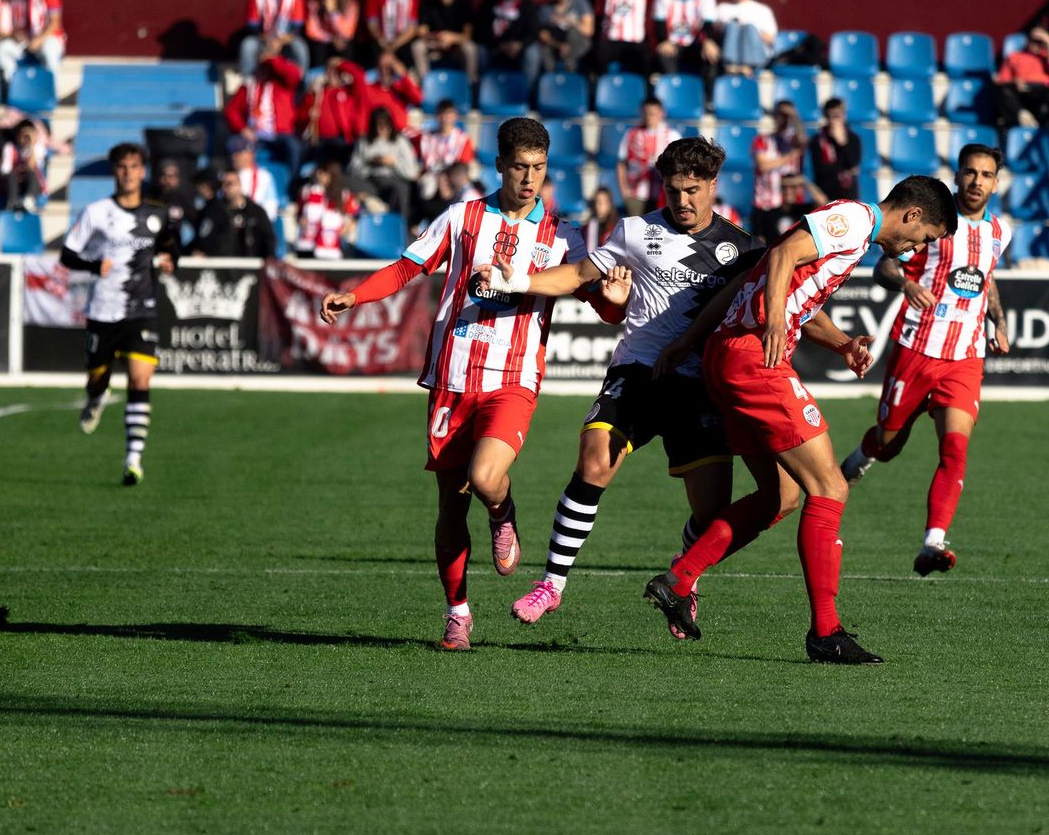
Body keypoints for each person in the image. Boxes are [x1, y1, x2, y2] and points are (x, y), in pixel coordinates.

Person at [643, 176, 957, 663]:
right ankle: (825, 632)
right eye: (926, 237)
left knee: (782, 495)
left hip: (727, 356)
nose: (919, 247)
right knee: (830, 487)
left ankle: (679, 579)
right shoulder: (854, 219)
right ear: (913, 215)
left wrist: (843, 343)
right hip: (753, 360)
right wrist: (771, 322)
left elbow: (776, 293)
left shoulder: (851, 238)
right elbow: (784, 254)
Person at [317, 118, 603, 651]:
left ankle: (503, 511)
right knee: (450, 505)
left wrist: (615, 288)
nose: (529, 178)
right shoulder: (463, 218)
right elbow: (406, 269)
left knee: (487, 477)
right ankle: (458, 614)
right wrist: (355, 295)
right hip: (450, 379)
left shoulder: (563, 235)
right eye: (519, 166)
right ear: (499, 165)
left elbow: (600, 303)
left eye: (539, 168)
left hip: (512, 379)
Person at [475, 138, 764, 625]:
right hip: (639, 372)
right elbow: (577, 275)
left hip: (700, 386)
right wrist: (516, 282)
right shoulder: (635, 230)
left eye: (693, 190)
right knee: (593, 463)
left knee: (714, 512)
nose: (683, 202)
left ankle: (681, 579)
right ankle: (551, 584)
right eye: (673, 191)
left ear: (714, 185)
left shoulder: (744, 250)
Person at [840, 144, 1013, 574]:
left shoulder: (1000, 232)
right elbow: (883, 267)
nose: (977, 181)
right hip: (916, 348)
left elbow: (986, 280)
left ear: (996, 182)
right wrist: (905, 285)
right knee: (888, 444)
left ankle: (933, 542)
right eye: (970, 172)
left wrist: (999, 321)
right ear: (957, 175)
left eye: (986, 174)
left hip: (965, 357)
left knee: (955, 448)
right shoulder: (936, 223)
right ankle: (859, 459)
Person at [59, 143, 177, 486]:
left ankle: (133, 459)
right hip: (102, 311)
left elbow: (171, 247)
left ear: (143, 171)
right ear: (115, 172)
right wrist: (93, 264)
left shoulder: (158, 214)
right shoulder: (96, 212)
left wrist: (171, 262)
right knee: (98, 379)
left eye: (134, 166)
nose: (128, 173)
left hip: (143, 310)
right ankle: (96, 398)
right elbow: (67, 255)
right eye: (122, 167)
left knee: (140, 379)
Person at [224, 53, 303, 169]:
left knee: (293, 146)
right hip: (254, 134)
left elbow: (294, 74)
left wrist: (272, 59)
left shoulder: (282, 85)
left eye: (267, 68)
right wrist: (242, 128)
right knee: (233, 144)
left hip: (279, 134)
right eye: (261, 68)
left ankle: (292, 183)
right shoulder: (247, 88)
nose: (263, 71)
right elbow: (231, 111)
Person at [0, 0, 66, 80]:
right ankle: (14, 85)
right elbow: (8, 28)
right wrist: (15, 35)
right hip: (26, 43)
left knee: (49, 49)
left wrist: (39, 40)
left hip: (48, 39)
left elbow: (55, 23)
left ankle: (51, 89)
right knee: (3, 49)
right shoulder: (13, 1)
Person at [240, 0, 308, 78]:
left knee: (300, 48)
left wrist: (280, 41)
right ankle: (249, 83)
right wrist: (269, 40)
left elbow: (297, 28)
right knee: (248, 45)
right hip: (265, 39)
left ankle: (300, 83)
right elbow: (254, 29)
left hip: (287, 40)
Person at [413, 98, 475, 227]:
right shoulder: (427, 138)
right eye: (442, 114)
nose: (445, 118)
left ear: (455, 116)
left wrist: (446, 179)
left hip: (452, 182)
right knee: (423, 188)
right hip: (433, 180)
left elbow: (462, 167)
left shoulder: (462, 140)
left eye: (449, 113)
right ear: (437, 116)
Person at [653, 0, 720, 81]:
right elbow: (659, 24)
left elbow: (708, 24)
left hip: (696, 43)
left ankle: (707, 97)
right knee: (663, 54)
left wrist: (707, 42)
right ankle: (673, 90)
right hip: (673, 43)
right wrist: (664, 41)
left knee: (711, 55)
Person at [349, 106, 419, 216]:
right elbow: (353, 168)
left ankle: (400, 226)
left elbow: (411, 172)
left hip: (392, 179)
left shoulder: (400, 142)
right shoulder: (363, 141)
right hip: (368, 180)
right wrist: (370, 164)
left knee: (401, 189)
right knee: (339, 178)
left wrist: (393, 163)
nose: (379, 129)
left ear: (390, 125)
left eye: (383, 126)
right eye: (376, 126)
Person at [752, 99, 808, 237]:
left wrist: (795, 117)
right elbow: (763, 165)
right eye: (781, 114)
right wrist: (790, 156)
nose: (784, 119)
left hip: (790, 206)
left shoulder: (793, 141)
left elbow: (803, 139)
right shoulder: (762, 140)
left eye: (787, 116)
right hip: (765, 204)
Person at [475, 0, 541, 87]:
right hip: (495, 46)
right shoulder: (489, 2)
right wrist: (499, 45)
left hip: (519, 49)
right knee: (479, 50)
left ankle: (527, 93)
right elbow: (480, 30)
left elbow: (533, 32)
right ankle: (481, 90)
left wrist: (519, 44)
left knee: (533, 52)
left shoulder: (528, 5)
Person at [593, 0, 658, 76]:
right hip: (612, 41)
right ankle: (600, 89)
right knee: (599, 56)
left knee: (647, 61)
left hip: (635, 42)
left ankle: (645, 92)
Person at [193, 169, 277, 258]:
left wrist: (269, 257)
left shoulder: (256, 212)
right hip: (221, 265)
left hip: (251, 264)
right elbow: (204, 239)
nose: (224, 188)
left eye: (229, 184)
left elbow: (268, 239)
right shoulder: (213, 212)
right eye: (222, 185)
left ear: (239, 184)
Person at [994, 25, 1049, 131]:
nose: (1035, 43)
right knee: (1002, 90)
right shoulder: (1014, 56)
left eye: (1039, 41)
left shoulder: (1047, 57)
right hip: (1021, 92)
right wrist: (1014, 82)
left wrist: (1048, 40)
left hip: (1043, 93)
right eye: (1033, 40)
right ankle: (1024, 118)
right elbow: (1002, 80)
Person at [617, 98, 679, 216]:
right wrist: (624, 190)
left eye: (653, 113)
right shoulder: (632, 134)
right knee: (636, 230)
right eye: (646, 113)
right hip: (636, 194)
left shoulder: (672, 136)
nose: (649, 117)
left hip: (663, 193)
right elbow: (621, 163)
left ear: (662, 113)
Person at [416, 0, 477, 84]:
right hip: (434, 44)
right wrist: (438, 37)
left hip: (457, 46)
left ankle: (470, 86)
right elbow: (421, 32)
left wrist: (451, 38)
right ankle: (425, 84)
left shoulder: (464, 3)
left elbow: (467, 35)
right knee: (417, 46)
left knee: (470, 48)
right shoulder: (428, 3)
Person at [299, 57, 369, 152]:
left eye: (335, 70)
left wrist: (341, 64)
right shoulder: (316, 93)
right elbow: (300, 117)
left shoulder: (349, 91)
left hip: (343, 140)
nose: (332, 73)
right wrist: (308, 113)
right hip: (319, 141)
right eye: (329, 69)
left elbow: (359, 76)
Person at [296, 159, 361, 259]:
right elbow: (299, 214)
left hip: (332, 248)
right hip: (307, 246)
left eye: (323, 172)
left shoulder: (344, 196)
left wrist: (345, 230)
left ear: (332, 175)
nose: (319, 174)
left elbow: (355, 217)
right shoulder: (307, 192)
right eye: (318, 171)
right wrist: (301, 221)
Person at [714, 0, 777, 75]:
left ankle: (748, 65)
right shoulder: (723, 8)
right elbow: (715, 31)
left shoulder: (763, 10)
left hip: (756, 55)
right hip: (728, 53)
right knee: (732, 26)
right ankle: (731, 64)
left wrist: (750, 30)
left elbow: (771, 38)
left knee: (749, 28)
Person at [364, 0, 419, 70]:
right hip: (381, 42)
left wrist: (395, 44)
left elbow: (412, 27)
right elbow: (372, 24)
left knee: (411, 52)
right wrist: (382, 41)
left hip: (402, 42)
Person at [536, 0, 595, 74]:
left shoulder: (580, 3)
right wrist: (559, 45)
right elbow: (543, 35)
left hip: (578, 45)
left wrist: (571, 21)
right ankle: (550, 82)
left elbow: (588, 31)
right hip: (555, 45)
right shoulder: (546, 9)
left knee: (573, 34)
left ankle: (573, 77)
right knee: (543, 51)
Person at [810, 97, 862, 204]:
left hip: (848, 196)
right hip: (826, 196)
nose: (833, 121)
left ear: (844, 115)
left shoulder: (853, 138)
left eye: (836, 116)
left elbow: (854, 165)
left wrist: (842, 143)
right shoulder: (818, 140)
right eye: (829, 116)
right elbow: (820, 170)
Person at [305, 0, 359, 69]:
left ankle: (347, 74)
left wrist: (333, 13)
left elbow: (347, 34)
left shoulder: (351, 5)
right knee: (318, 47)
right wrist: (331, 39)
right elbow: (311, 32)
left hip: (342, 43)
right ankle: (319, 76)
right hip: (324, 43)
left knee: (347, 45)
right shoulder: (314, 4)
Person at [227, 136, 281, 224]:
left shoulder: (264, 177)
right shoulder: (226, 177)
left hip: (255, 225)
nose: (234, 157)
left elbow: (271, 210)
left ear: (250, 154)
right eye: (232, 153)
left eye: (238, 153)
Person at [0, 119, 48, 212]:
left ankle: (29, 199)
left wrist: (32, 145)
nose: (24, 138)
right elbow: (5, 170)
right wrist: (18, 170)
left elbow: (33, 166)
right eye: (22, 134)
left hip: (33, 183)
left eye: (27, 136)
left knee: (31, 174)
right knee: (12, 176)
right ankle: (12, 201)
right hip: (14, 182)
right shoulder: (9, 148)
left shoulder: (39, 149)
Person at [147, 157, 199, 233]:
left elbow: (197, 223)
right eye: (163, 175)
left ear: (177, 179)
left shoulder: (182, 201)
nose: (167, 180)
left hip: (174, 242)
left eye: (171, 176)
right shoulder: (148, 199)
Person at [580, 186, 619, 251]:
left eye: (604, 201)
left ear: (610, 204)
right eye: (598, 201)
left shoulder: (616, 229)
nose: (600, 205)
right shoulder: (585, 229)